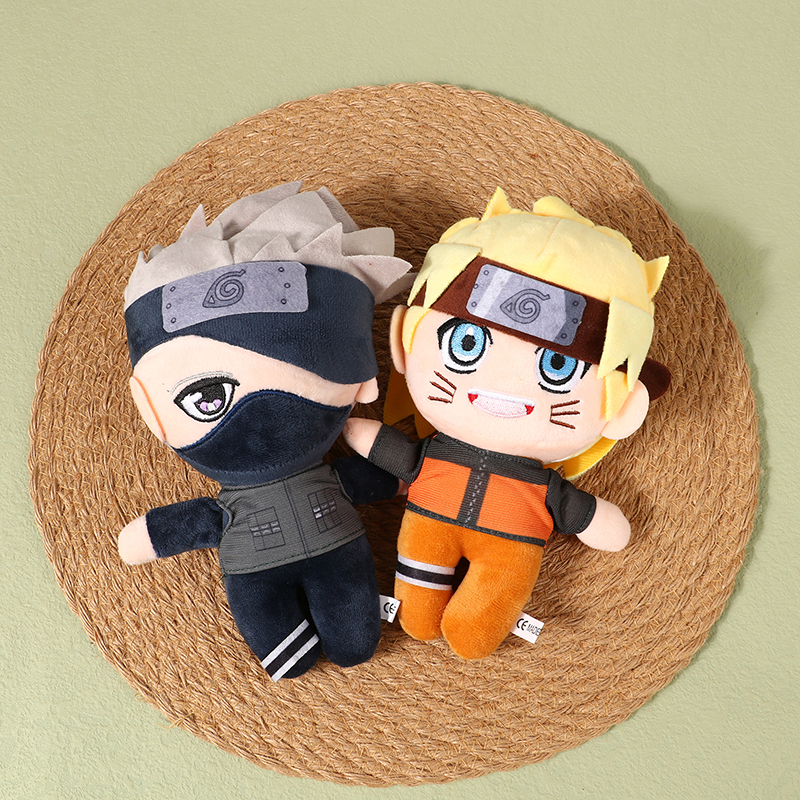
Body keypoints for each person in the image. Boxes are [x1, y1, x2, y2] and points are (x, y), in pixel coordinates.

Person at [344, 189, 670, 659]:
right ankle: (425, 608)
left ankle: (481, 616)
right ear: (403, 342)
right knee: (417, 608)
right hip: (433, 530)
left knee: (481, 618)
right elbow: (401, 456)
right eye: (467, 342)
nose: (499, 387)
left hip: (505, 548)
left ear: (622, 408)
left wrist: (361, 435)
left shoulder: (540, 485)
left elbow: (581, 513)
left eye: (557, 366)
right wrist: (369, 439)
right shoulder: (439, 454)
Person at [118, 183, 411, 680]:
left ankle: (345, 641)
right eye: (207, 396)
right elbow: (194, 522)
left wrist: (409, 479)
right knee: (287, 646)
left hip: (333, 557)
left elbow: (383, 480)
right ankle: (294, 650)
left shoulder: (337, 471)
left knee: (354, 640)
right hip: (264, 569)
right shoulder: (331, 467)